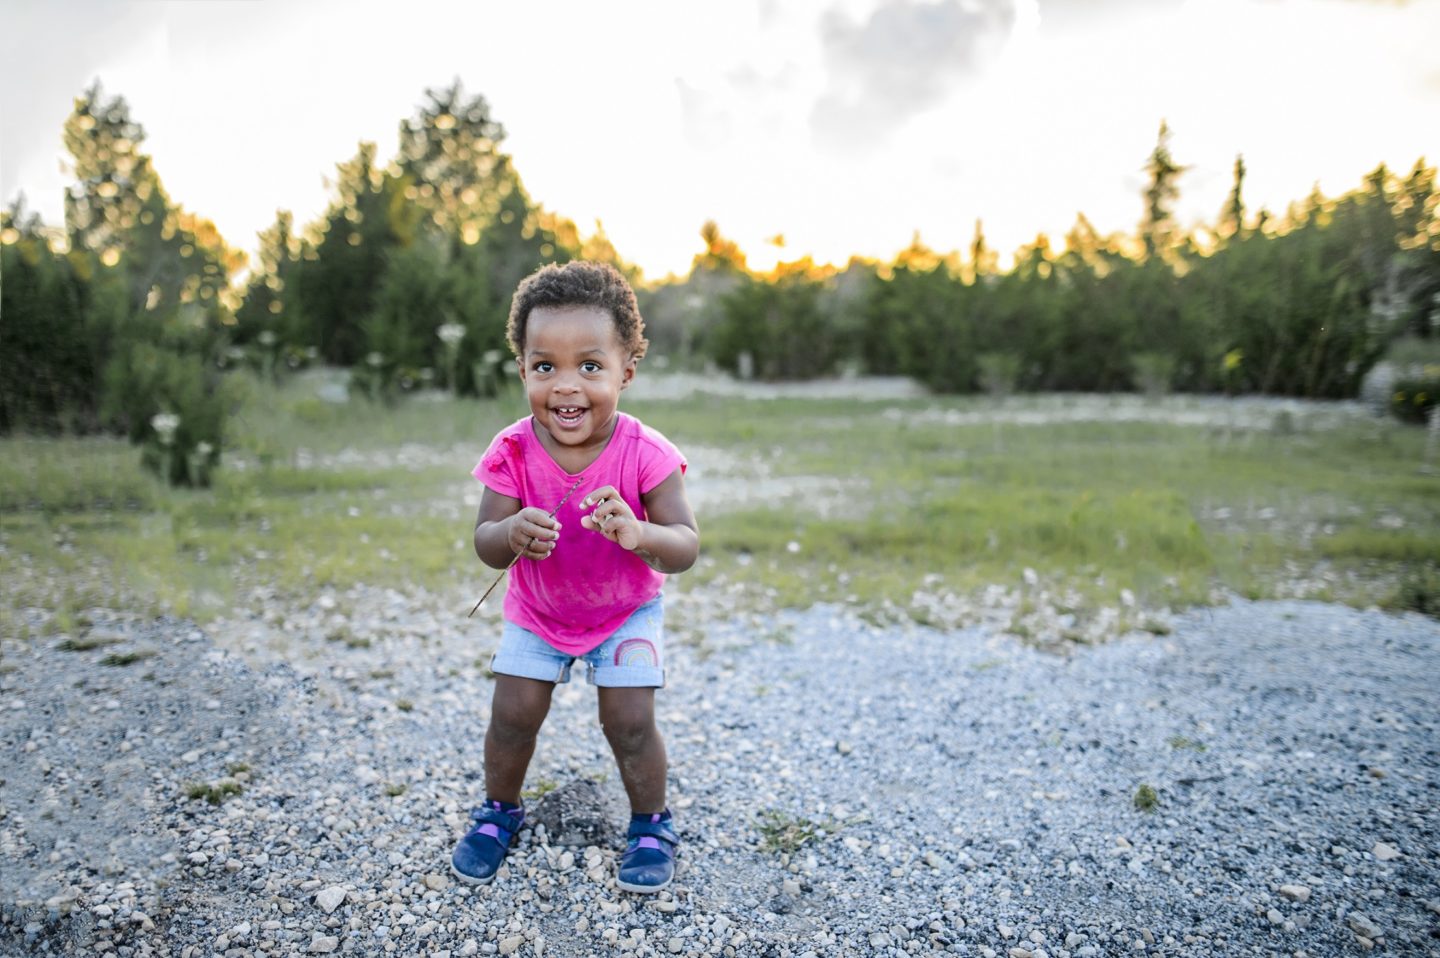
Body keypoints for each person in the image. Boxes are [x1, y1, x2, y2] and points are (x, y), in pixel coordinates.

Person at [451, 261, 699, 894]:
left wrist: (640, 535)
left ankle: (650, 824)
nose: (566, 386)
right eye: (544, 367)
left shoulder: (647, 453)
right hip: (539, 612)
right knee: (513, 711)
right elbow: (485, 544)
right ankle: (498, 811)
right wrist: (510, 535)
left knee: (629, 720)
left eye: (590, 366)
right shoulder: (510, 450)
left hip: (626, 611)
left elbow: (686, 546)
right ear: (522, 369)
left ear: (626, 372)